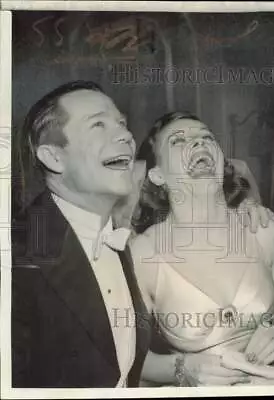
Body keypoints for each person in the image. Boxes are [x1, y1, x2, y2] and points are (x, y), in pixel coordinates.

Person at [130, 112, 274, 386]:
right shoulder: (143, 254)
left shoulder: (263, 230)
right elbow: (129, 359)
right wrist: (181, 368)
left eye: (206, 137)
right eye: (178, 141)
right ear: (157, 175)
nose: (198, 143)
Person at [11, 81, 152, 388]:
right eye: (98, 124)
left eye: (122, 124)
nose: (126, 136)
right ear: (54, 157)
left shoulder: (115, 238)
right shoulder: (15, 258)